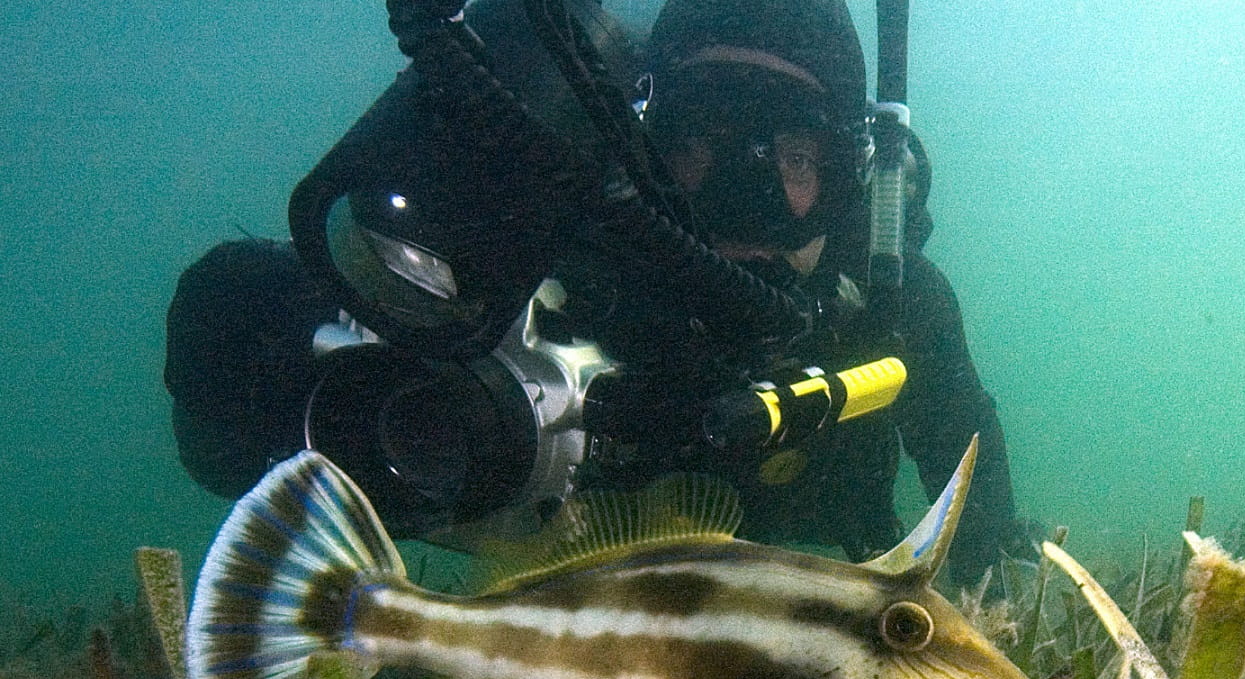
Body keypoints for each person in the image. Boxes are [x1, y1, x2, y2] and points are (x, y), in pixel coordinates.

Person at [164, 0, 1022, 588]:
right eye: (700, 141)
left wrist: (994, 569)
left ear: (850, 178)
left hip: (822, 542)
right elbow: (225, 362)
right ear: (639, 143)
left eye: (795, 156)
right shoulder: (562, 261)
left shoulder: (891, 309)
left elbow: (970, 468)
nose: (743, 195)